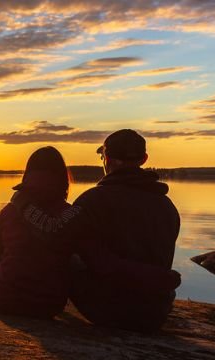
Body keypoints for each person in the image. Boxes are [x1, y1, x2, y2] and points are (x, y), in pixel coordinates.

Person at [12, 129, 181, 332]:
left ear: (107, 159)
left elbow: (52, 231)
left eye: (102, 156)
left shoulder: (91, 202)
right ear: (144, 159)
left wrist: (22, 204)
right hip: (156, 313)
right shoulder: (167, 206)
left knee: (66, 254)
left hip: (109, 310)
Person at [0, 146, 72, 319]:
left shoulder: (10, 210)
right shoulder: (69, 213)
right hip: (50, 303)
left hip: (3, 299)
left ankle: (11, 285)